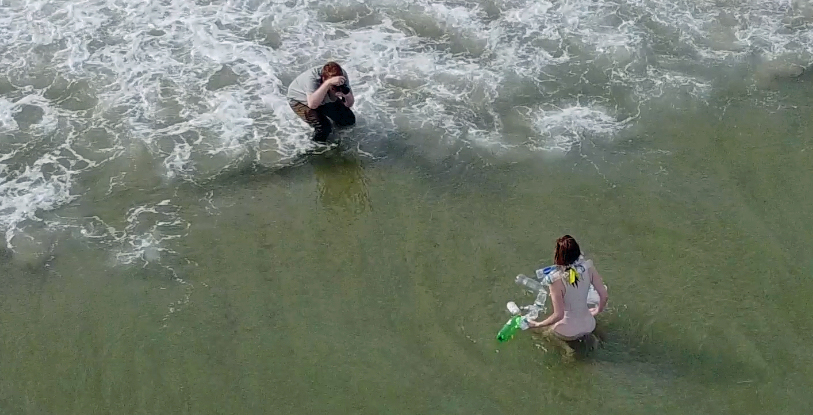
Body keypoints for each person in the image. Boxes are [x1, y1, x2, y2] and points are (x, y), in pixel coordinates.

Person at [528, 235, 609, 354]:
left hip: (567, 331)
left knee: (541, 331)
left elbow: (559, 315)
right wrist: (597, 310)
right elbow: (604, 296)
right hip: (589, 325)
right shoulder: (589, 268)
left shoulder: (555, 281)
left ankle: (567, 350)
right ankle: (595, 339)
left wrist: (537, 324)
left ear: (558, 257)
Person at [287, 61, 356, 143]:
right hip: (300, 100)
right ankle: (314, 148)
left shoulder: (342, 77)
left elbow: (349, 104)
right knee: (324, 128)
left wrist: (346, 94)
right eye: (334, 86)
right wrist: (328, 83)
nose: (336, 87)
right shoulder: (312, 78)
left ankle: (335, 132)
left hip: (323, 96)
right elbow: (312, 105)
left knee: (348, 120)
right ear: (323, 79)